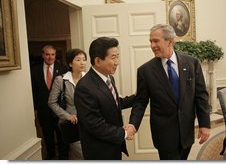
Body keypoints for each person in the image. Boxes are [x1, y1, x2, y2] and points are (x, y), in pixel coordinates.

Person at [126, 24, 211, 160]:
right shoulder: (145, 71)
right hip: (164, 134)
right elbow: (141, 102)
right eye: (150, 41)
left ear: (170, 41)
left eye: (156, 41)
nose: (152, 45)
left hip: (186, 131)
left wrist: (205, 124)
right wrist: (133, 124)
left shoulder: (192, 63)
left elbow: (201, 95)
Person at [74, 37, 136, 160]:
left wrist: (138, 97)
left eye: (117, 56)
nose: (117, 62)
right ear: (98, 61)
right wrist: (123, 133)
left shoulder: (108, 78)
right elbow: (94, 125)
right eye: (113, 57)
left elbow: (114, 102)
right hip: (99, 151)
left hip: (113, 146)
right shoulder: (85, 87)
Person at [48, 48, 87, 159]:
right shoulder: (61, 80)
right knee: (84, 156)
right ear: (70, 63)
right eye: (78, 60)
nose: (82, 62)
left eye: (84, 59)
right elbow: (51, 102)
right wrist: (67, 116)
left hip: (90, 124)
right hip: (72, 125)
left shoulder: (90, 79)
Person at [31, 45, 68, 160]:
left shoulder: (63, 69)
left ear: (55, 55)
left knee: (62, 135)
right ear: (43, 55)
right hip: (44, 111)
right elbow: (33, 91)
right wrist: (36, 109)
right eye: (47, 54)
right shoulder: (34, 70)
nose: (50, 57)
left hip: (60, 110)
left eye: (52, 54)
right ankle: (51, 155)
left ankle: (63, 157)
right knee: (48, 135)